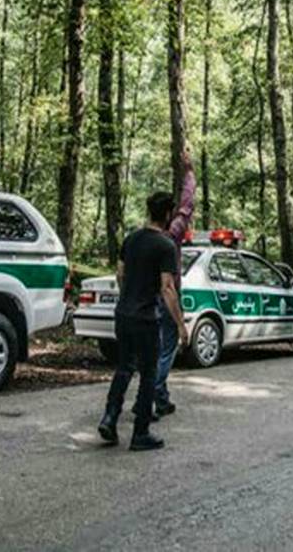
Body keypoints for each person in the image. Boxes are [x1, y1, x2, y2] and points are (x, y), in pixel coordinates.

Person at [98, 191, 190, 451]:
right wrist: (181, 325)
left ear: (150, 211)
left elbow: (119, 274)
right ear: (168, 214)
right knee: (149, 373)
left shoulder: (131, 239)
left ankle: (110, 417)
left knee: (124, 367)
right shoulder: (165, 246)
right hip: (147, 317)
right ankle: (140, 433)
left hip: (123, 313)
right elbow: (168, 289)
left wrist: (129, 295)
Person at [152, 151, 195, 418]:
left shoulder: (140, 237)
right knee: (167, 348)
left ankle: (161, 397)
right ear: (168, 213)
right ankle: (153, 392)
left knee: (154, 350)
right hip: (165, 296)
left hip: (144, 299)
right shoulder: (172, 236)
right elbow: (187, 206)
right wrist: (189, 173)